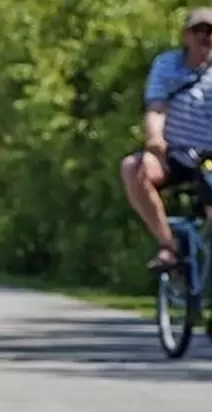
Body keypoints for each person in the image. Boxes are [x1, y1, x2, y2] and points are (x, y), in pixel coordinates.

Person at [120, 8, 212, 273]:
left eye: (210, 32)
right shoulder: (167, 64)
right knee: (133, 168)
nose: (205, 37)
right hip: (174, 153)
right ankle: (168, 246)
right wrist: (155, 139)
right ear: (186, 35)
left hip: (208, 158)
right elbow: (157, 107)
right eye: (199, 31)